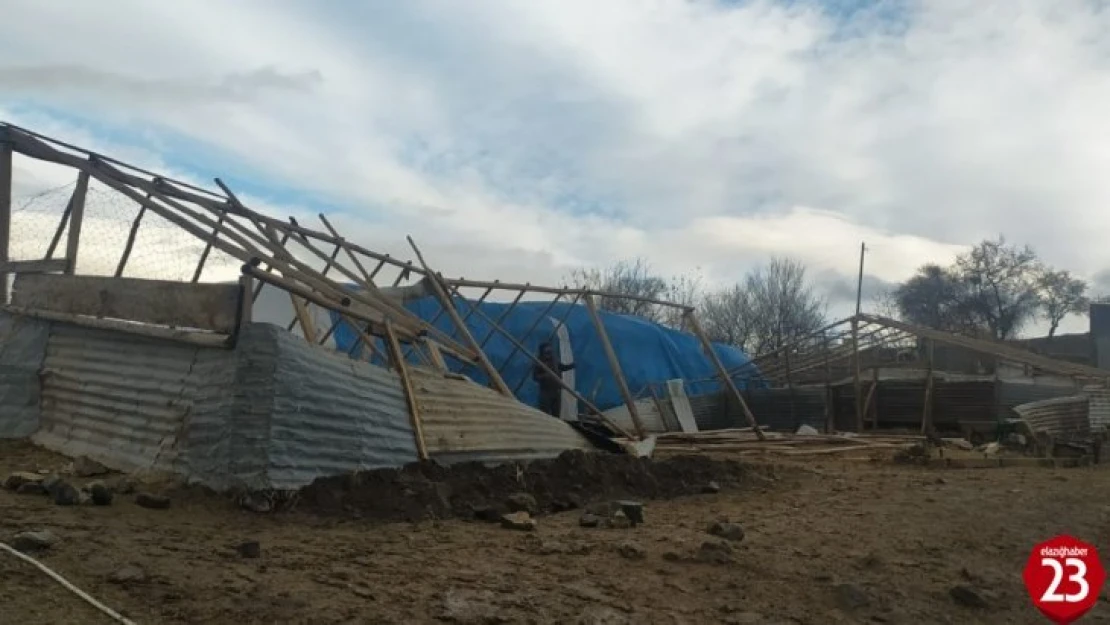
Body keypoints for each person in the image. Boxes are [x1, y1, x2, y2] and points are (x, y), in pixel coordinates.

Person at [533, 342, 574, 418]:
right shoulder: (539, 362)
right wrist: (545, 376)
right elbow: (535, 377)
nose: (549, 354)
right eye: (547, 352)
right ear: (542, 352)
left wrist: (571, 366)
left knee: (556, 413)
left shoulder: (554, 360)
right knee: (544, 414)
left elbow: (562, 367)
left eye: (550, 352)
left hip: (556, 391)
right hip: (546, 392)